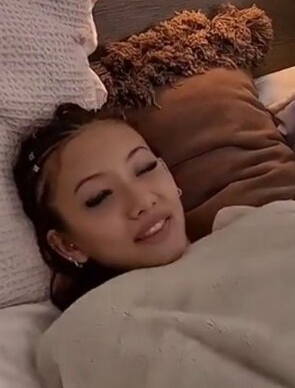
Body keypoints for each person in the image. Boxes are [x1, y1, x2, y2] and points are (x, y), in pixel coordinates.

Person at [14, 103, 189, 310]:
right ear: (67, 245)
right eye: (100, 197)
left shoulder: (224, 226)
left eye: (145, 168)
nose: (142, 201)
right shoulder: (104, 322)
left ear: (167, 172)